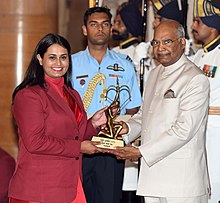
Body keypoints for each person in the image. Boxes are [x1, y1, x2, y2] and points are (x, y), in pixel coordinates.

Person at [112, 20, 210, 203]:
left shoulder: (195, 78)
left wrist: (141, 152)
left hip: (182, 182)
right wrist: (125, 128)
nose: (160, 48)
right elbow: (144, 116)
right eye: (156, 42)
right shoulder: (154, 74)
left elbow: (184, 130)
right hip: (152, 178)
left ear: (182, 43)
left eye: (167, 42)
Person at [8, 33, 108, 203]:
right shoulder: (29, 95)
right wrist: (79, 148)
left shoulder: (72, 93)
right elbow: (35, 142)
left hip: (71, 184)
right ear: (40, 59)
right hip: (40, 190)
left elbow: (75, 135)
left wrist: (93, 124)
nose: (59, 63)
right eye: (52, 58)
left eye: (63, 57)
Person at [71, 7, 142, 203]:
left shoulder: (125, 64)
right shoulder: (71, 63)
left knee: (109, 198)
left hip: (111, 147)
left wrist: (122, 128)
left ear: (111, 28)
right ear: (85, 29)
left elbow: (134, 106)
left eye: (105, 24)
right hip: (80, 145)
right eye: (94, 24)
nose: (100, 29)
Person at [111, 3, 144, 203]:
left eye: (118, 22)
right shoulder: (111, 52)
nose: (114, 26)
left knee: (130, 180)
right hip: (113, 121)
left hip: (132, 119)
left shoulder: (141, 52)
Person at [191, 0, 220, 202]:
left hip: (216, 135)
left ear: (213, 26)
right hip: (197, 131)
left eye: (198, 21)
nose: (193, 26)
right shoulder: (198, 55)